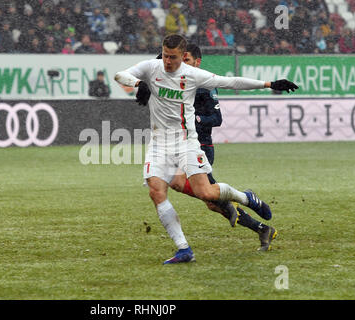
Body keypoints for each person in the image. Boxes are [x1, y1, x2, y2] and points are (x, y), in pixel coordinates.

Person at [115, 34, 298, 264]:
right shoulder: (152, 67)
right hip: (159, 143)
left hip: (186, 143)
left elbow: (230, 82)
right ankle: (184, 249)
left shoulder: (192, 75)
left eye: (173, 57)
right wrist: (139, 84)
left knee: (208, 194)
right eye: (164, 55)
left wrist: (269, 84)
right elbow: (120, 75)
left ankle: (245, 197)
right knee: (156, 190)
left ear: (184, 57)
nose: (167, 61)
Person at [136, 44, 278, 251]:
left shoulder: (203, 84)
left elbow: (217, 118)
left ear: (197, 62)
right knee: (199, 194)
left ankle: (252, 210)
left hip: (199, 146)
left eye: (187, 60)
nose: (182, 64)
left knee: (210, 199)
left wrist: (195, 119)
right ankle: (253, 219)